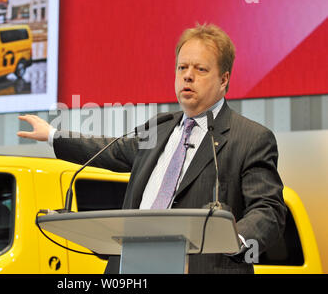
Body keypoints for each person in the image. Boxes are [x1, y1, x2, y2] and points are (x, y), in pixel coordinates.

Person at [18, 23, 287, 274]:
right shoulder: (160, 128)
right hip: (130, 269)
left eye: (200, 69)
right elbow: (109, 150)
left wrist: (234, 240)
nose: (188, 76)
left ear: (224, 79)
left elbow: (268, 210)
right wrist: (53, 135)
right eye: (182, 68)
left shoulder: (251, 138)